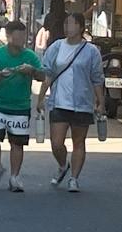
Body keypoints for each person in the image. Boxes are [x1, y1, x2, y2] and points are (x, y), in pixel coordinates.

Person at [37, 13, 105, 192]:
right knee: (56, 143)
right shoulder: (56, 47)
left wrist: (100, 102)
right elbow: (48, 74)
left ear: (81, 27)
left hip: (82, 102)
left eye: (73, 24)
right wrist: (41, 98)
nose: (68, 27)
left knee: (79, 141)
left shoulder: (91, 51)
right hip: (59, 101)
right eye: (66, 23)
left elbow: (97, 78)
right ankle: (62, 165)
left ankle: (74, 178)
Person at [0, 21, 44, 192]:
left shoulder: (30, 56)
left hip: (21, 105)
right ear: (9, 36)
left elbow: (42, 76)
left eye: (23, 36)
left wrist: (31, 70)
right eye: (18, 36)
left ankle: (15, 177)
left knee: (17, 143)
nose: (21, 40)